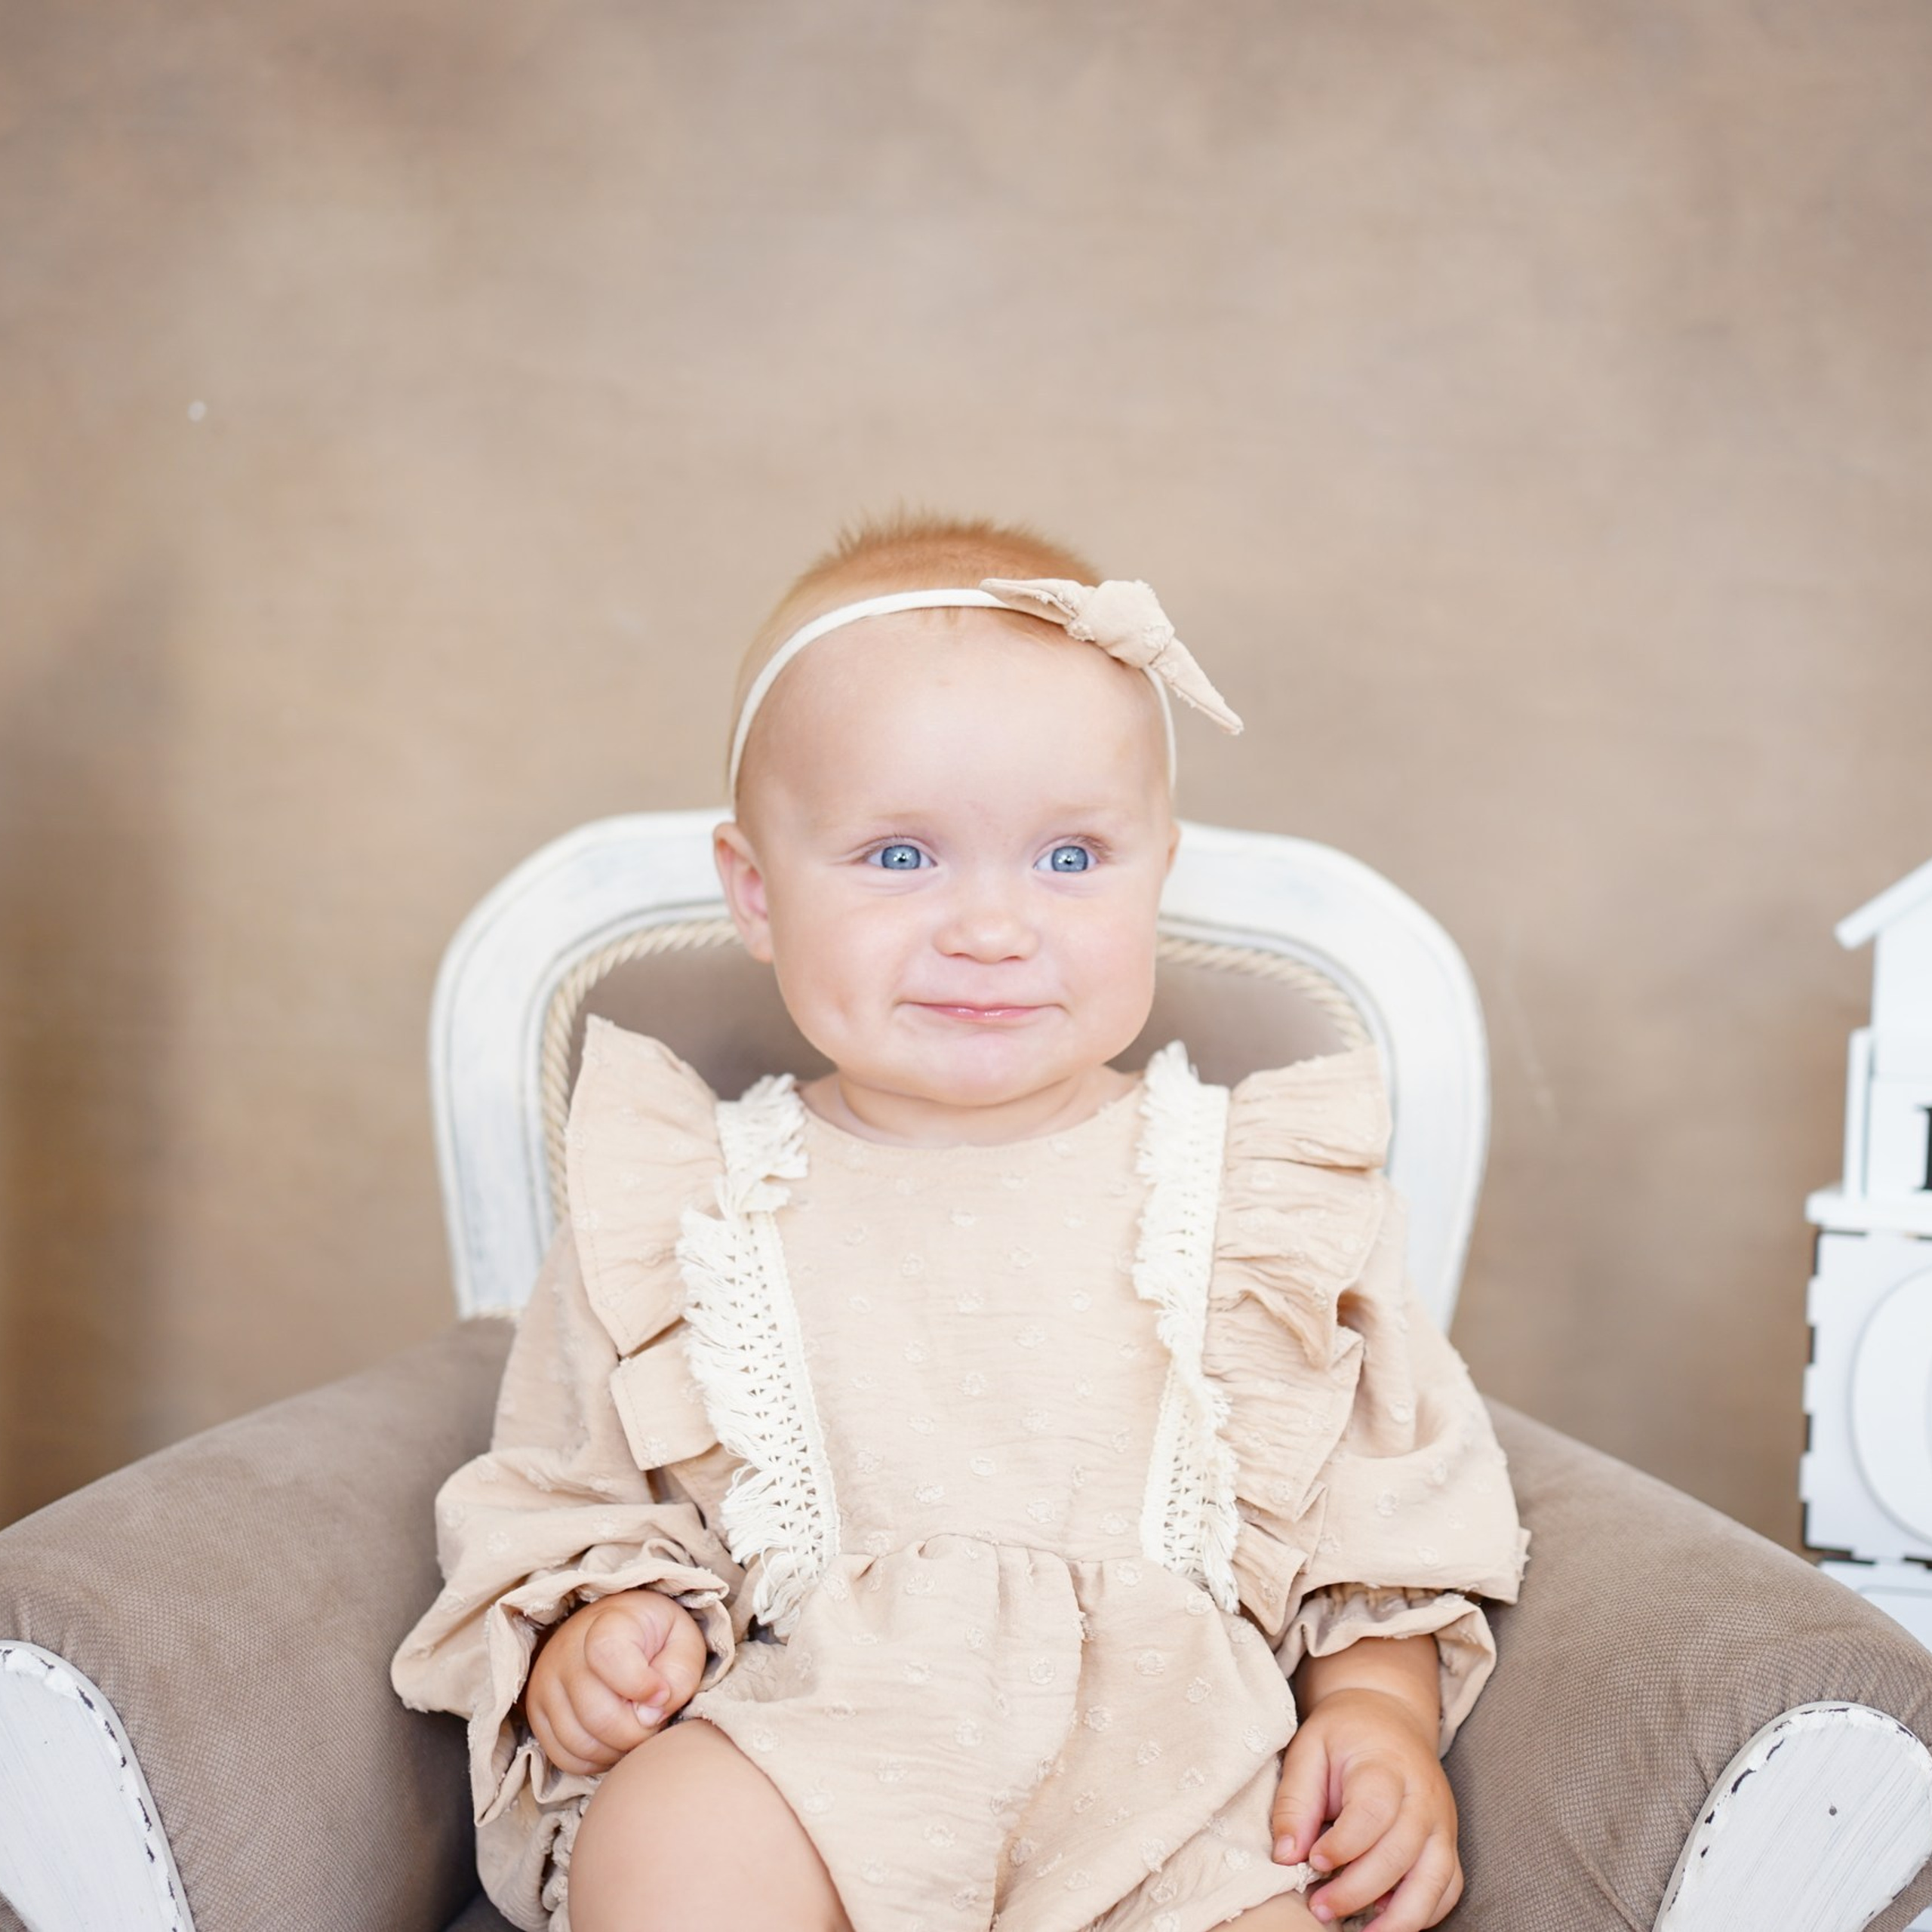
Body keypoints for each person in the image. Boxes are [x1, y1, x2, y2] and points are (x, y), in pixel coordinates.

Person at [392, 513, 1528, 1932]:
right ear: (756, 890)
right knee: (673, 1835)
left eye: (1071, 859)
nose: (991, 928)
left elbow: (1385, 1512)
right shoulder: (686, 1205)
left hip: (1179, 1791)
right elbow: (569, 1489)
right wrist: (598, 1631)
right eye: (898, 856)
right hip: (810, 1753)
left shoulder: (1261, 1195)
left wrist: (1378, 1710)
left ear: (1159, 871)